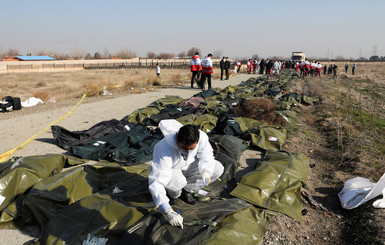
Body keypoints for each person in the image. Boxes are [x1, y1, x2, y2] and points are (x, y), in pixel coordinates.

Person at [148, 119, 224, 228]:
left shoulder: (201, 137)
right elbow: (157, 181)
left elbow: (206, 155)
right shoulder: (164, 148)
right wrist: (167, 210)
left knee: (217, 168)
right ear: (177, 139)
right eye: (184, 148)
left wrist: (206, 171)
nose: (188, 151)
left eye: (191, 149)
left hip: (188, 165)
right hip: (173, 169)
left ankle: (189, 190)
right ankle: (175, 194)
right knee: (178, 183)